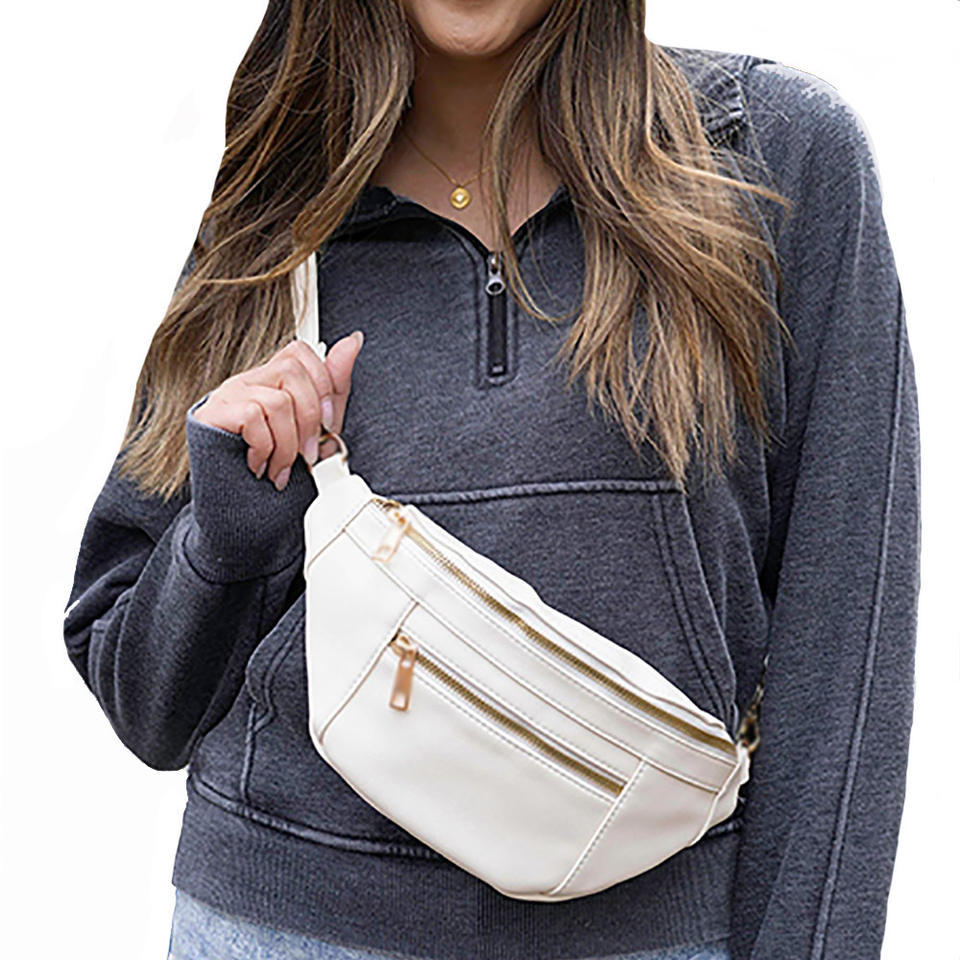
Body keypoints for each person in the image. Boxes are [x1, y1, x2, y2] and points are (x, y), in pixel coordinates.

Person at [62, 2, 921, 959]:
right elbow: (147, 704)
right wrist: (228, 533)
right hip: (280, 928)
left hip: (650, 932)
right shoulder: (283, 201)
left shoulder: (773, 156)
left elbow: (846, 647)